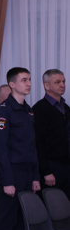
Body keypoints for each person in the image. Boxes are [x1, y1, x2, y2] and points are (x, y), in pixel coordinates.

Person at [0, 67, 40, 230]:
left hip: (27, 174)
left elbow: (32, 147)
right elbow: (1, 149)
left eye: (29, 80)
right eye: (23, 80)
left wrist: (36, 176)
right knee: (6, 224)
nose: (28, 83)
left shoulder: (28, 111)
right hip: (12, 174)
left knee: (21, 225)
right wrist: (7, 180)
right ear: (12, 84)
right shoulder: (4, 111)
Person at [34, 69, 70, 197]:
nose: (62, 85)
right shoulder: (39, 109)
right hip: (51, 168)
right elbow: (37, 142)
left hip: (66, 165)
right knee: (54, 203)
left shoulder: (66, 108)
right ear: (47, 85)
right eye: (57, 82)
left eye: (63, 81)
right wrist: (46, 171)